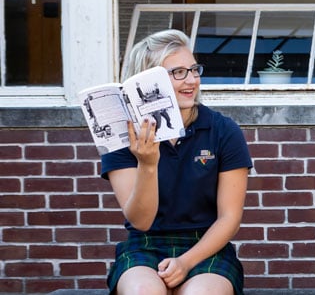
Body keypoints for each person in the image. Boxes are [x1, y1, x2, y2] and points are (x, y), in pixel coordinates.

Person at [103, 29, 252, 295]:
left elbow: (229, 218)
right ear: (146, 84)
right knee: (143, 292)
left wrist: (185, 262)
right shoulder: (122, 136)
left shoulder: (223, 130)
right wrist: (147, 164)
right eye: (178, 72)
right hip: (144, 244)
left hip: (207, 246)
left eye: (194, 70)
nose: (192, 80)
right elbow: (140, 221)